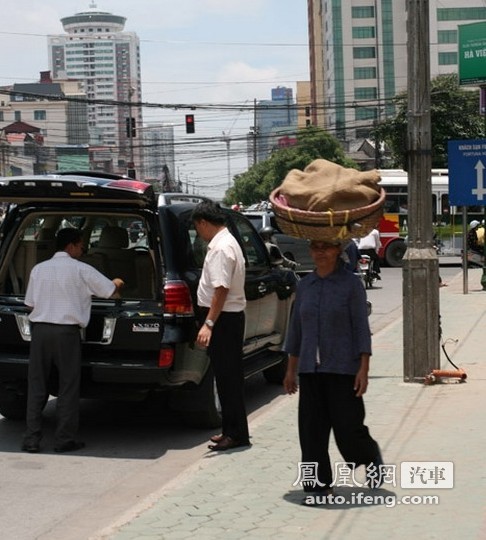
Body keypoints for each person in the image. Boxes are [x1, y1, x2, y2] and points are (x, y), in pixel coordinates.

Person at [283, 238, 383, 501]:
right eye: (315, 247)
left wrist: (364, 368)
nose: (320, 252)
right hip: (310, 371)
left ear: (338, 250)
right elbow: (296, 330)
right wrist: (291, 370)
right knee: (311, 432)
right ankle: (317, 485)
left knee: (347, 429)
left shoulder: (351, 284)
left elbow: (361, 327)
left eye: (326, 247)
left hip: (343, 368)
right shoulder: (305, 285)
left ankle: (369, 454)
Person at [22, 228, 124, 453]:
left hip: (39, 332)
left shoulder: (38, 269)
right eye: (80, 245)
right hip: (66, 334)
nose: (82, 249)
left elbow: (30, 303)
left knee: (37, 386)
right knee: (68, 386)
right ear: (70, 246)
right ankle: (63, 440)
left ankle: (31, 439)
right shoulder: (82, 270)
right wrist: (118, 282)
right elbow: (109, 291)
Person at [192, 201, 250, 451]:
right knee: (228, 378)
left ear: (204, 223)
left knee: (228, 379)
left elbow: (221, 289)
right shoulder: (228, 241)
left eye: (197, 228)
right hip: (227, 318)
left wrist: (209, 323)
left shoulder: (220, 248)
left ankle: (235, 434)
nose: (198, 234)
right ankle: (232, 431)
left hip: (224, 319)